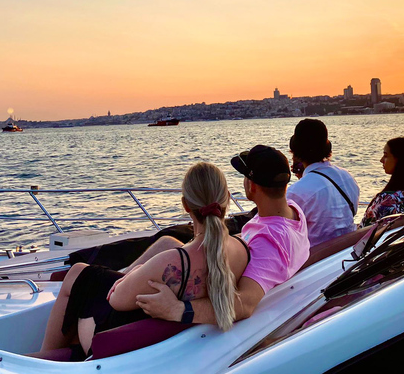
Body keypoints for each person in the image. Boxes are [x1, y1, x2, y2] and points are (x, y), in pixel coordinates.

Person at [39, 162, 250, 357]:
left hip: (130, 337)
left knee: (78, 273)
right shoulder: (241, 249)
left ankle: (44, 359)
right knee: (167, 241)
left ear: (186, 205)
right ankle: (67, 352)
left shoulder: (174, 262)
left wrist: (134, 273)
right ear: (228, 198)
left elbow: (116, 300)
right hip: (175, 331)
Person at [135, 145, 310, 325]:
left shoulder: (269, 243)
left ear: (252, 185)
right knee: (166, 243)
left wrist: (178, 309)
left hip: (213, 298)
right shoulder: (293, 211)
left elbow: (244, 304)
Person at [286, 119, 360, 246]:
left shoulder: (297, 191)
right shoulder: (347, 177)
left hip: (315, 260)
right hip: (346, 252)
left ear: (296, 153)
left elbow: (286, 233)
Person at [361, 137, 404, 227]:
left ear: (399, 159)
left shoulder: (389, 199)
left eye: (386, 155)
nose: (381, 160)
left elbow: (365, 230)